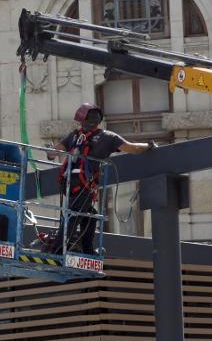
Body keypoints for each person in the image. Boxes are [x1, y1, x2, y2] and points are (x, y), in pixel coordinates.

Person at [55, 103, 156, 254]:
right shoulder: (107, 137)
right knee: (75, 214)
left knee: (89, 215)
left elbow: (53, 152)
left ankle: (86, 249)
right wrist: (149, 145)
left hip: (69, 183)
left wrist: (50, 150)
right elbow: (133, 148)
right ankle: (57, 249)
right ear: (99, 120)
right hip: (83, 185)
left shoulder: (74, 136)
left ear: (82, 120)